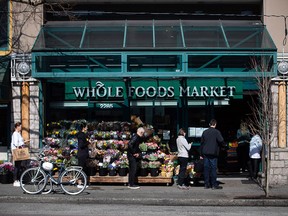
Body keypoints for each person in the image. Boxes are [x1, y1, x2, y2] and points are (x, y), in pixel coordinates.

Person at [200, 119, 225, 190]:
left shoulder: (205, 132)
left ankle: (206, 184)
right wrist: (225, 146)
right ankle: (214, 185)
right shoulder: (216, 132)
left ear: (209, 124)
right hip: (213, 153)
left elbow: (202, 143)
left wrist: (201, 154)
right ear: (215, 124)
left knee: (206, 169)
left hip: (205, 153)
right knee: (213, 169)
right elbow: (221, 141)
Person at [11, 122, 29, 187]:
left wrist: (24, 142)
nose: (21, 128)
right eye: (20, 127)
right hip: (17, 151)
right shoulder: (15, 134)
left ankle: (17, 181)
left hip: (17, 151)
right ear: (17, 127)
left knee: (18, 166)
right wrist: (21, 146)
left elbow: (19, 142)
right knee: (17, 167)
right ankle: (15, 181)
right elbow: (16, 143)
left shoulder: (17, 133)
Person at [77, 122, 90, 188]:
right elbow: (81, 145)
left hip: (82, 154)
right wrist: (88, 142)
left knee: (83, 168)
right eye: (86, 127)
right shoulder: (81, 135)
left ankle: (82, 182)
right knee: (81, 168)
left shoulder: (81, 134)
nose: (87, 128)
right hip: (82, 154)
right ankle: (79, 183)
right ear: (83, 128)